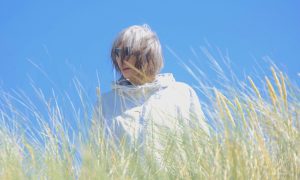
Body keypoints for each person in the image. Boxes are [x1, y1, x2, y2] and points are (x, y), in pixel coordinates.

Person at [94, 24, 209, 151]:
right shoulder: (106, 103)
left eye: (126, 51)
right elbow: (97, 156)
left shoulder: (182, 93)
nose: (120, 59)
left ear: (147, 52)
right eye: (117, 52)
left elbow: (202, 146)